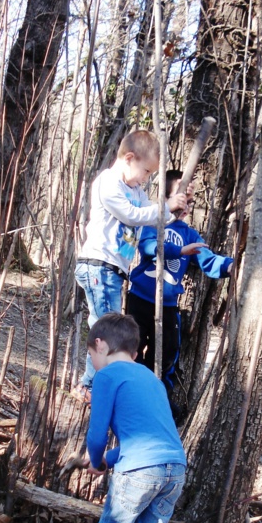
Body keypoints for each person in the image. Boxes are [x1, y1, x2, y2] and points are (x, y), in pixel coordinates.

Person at [77, 312, 187, 523]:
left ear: (100, 345)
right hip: (174, 467)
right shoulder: (151, 379)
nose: (94, 363)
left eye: (92, 356)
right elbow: (144, 436)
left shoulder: (107, 375)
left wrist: (96, 461)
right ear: (135, 352)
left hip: (139, 469)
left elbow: (97, 436)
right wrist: (110, 461)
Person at [73, 132, 188, 402]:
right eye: (146, 171)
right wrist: (165, 208)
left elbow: (154, 216)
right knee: (105, 329)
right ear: (128, 158)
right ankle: (89, 385)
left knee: (107, 327)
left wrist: (175, 209)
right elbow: (133, 215)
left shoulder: (136, 190)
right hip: (98, 265)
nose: (146, 179)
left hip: (113, 270)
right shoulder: (108, 182)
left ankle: (94, 383)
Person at [127, 169, 233, 396]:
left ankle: (158, 394)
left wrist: (231, 266)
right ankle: (129, 390)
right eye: (182, 197)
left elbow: (209, 260)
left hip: (167, 306)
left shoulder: (190, 234)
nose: (187, 205)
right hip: (139, 299)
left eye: (191, 201)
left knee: (167, 351)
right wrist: (178, 251)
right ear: (166, 198)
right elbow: (147, 246)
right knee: (130, 348)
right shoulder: (151, 220)